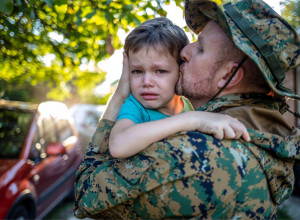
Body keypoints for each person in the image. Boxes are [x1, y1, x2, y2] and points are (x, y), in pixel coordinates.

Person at [74, 0, 300, 218]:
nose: (185, 52)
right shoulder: (260, 134)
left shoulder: (195, 155)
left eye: (200, 48)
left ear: (227, 76)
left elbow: (85, 193)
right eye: (138, 71)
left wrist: (118, 99)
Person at [109, 17, 250, 159]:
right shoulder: (135, 106)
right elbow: (118, 146)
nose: (146, 82)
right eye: (137, 71)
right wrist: (192, 120)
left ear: (180, 71)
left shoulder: (189, 104)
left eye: (160, 71)